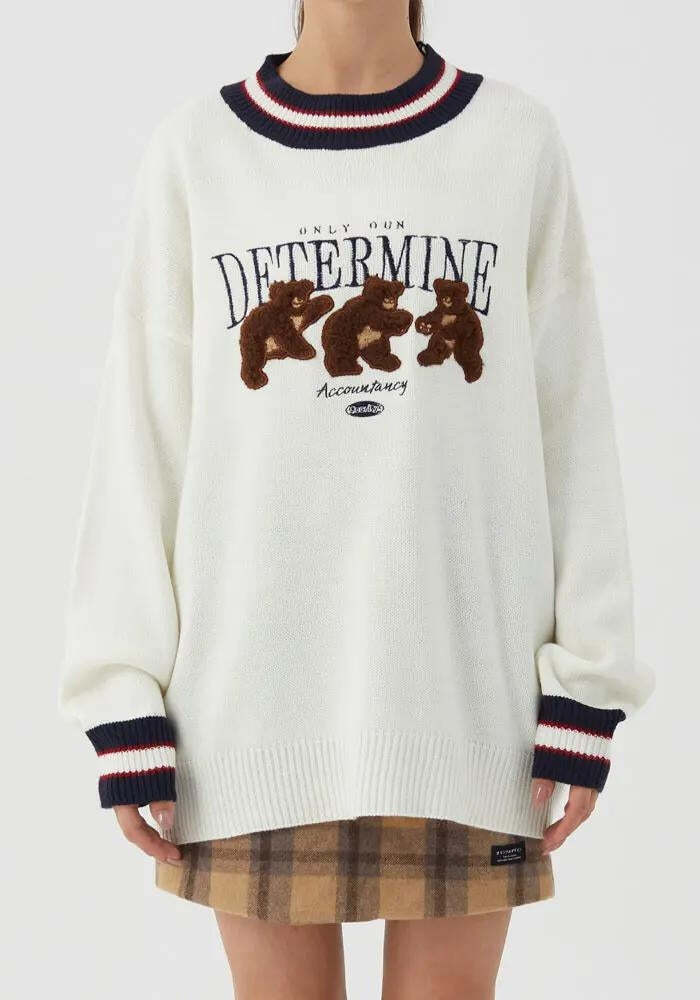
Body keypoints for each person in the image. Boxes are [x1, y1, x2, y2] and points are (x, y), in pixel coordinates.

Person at [59, 1, 654, 997]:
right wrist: (122, 694)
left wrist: (588, 682)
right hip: (247, 722)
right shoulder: (197, 153)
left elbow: (573, 427)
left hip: (472, 719)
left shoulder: (513, 143)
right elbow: (142, 441)